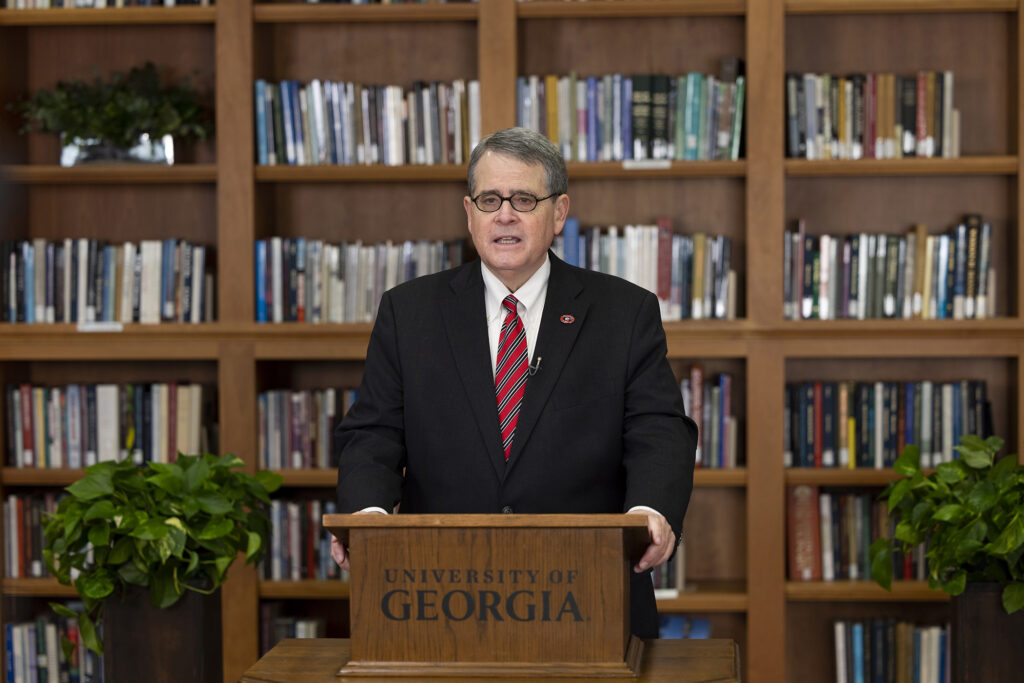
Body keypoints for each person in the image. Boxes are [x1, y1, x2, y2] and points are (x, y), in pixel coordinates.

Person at [332, 126, 697, 638]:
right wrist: (367, 516)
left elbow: (658, 428)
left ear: (559, 213)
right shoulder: (408, 311)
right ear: (469, 213)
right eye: (489, 199)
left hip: (587, 595)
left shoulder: (624, 311)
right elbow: (373, 433)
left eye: (524, 199)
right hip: (441, 594)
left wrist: (649, 511)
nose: (504, 215)